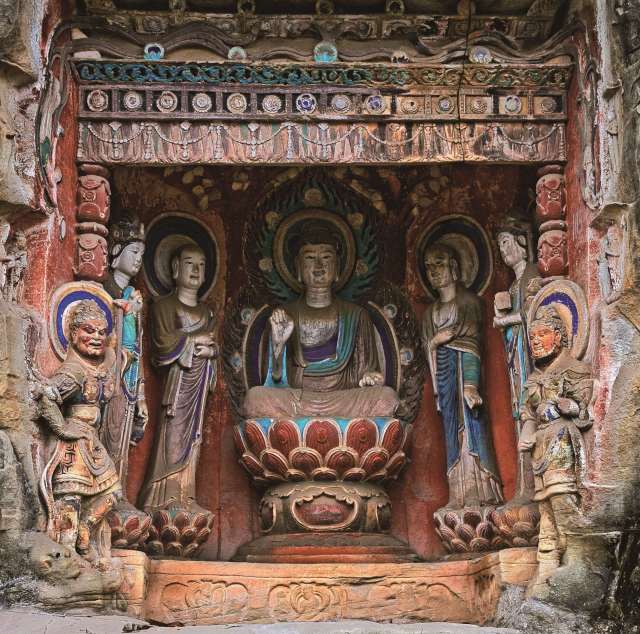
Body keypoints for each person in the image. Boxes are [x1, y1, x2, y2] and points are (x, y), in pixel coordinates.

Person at [242, 225, 398, 419]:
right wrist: (278, 346)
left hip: (344, 400)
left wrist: (370, 378)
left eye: (326, 257)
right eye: (309, 258)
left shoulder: (356, 315)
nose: (318, 265)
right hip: (296, 400)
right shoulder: (283, 315)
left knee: (387, 398)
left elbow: (366, 372)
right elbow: (274, 381)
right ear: (298, 267)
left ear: (337, 267)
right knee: (255, 399)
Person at [38, 300, 121, 559]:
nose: (97, 337)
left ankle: (86, 528)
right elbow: (45, 397)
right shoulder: (73, 371)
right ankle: (67, 553)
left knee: (113, 492)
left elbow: (115, 357)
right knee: (70, 500)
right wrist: (63, 428)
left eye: (101, 332)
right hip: (73, 445)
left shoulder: (96, 366)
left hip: (91, 442)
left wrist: (127, 320)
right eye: (89, 330)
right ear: (73, 334)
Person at [422, 243, 503, 509]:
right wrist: (435, 343)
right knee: (451, 435)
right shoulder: (430, 313)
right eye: (429, 267)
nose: (434, 271)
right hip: (445, 380)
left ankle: (481, 492)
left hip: (465, 376)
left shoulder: (469, 303)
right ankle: (458, 494)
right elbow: (428, 348)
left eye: (439, 263)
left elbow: (472, 346)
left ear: (454, 267)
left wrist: (470, 385)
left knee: (470, 427)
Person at [518, 305, 593, 592]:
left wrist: (567, 405)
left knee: (562, 498)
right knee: (545, 508)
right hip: (540, 445)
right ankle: (547, 561)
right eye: (532, 337)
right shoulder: (534, 379)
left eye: (542, 334)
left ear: (559, 337)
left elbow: (583, 405)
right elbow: (527, 413)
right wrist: (527, 431)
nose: (535, 341)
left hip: (562, 440)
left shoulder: (575, 369)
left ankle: (575, 555)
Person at [138, 244, 217, 513]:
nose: (196, 270)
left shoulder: (207, 312)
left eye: (201, 265)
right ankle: (162, 497)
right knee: (172, 436)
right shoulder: (164, 306)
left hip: (199, 386)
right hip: (177, 385)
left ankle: (186, 495)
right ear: (175, 268)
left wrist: (210, 352)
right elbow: (162, 345)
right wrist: (194, 341)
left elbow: (213, 347)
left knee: (195, 438)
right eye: (189, 263)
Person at [100, 216, 147, 493]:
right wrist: (123, 310)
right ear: (116, 252)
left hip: (130, 375)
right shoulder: (105, 288)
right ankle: (106, 493)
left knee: (125, 435)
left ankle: (119, 492)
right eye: (134, 251)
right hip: (111, 374)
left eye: (142, 254)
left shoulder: (133, 294)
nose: (139, 259)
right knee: (110, 430)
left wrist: (142, 393)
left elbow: (138, 346)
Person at [494, 228, 539, 503]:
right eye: (499, 245)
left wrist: (506, 320)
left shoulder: (532, 274)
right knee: (518, 413)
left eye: (506, 241)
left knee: (530, 410)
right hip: (515, 355)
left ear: (522, 242)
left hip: (529, 356)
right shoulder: (513, 285)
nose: (503, 250)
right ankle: (524, 487)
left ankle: (533, 488)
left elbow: (534, 313)